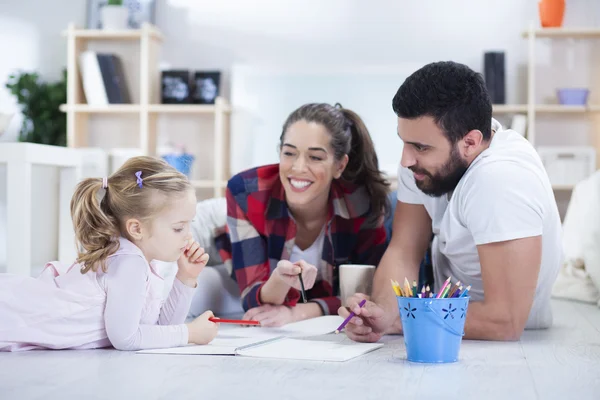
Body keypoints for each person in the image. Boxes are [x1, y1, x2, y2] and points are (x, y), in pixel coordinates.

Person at [339, 61, 562, 342]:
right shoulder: (419, 162)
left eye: (421, 147)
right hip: (440, 321)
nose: (406, 160)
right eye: (404, 141)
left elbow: (505, 321)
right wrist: (380, 311)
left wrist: (402, 317)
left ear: (470, 142)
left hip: (510, 342)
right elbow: (404, 250)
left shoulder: (501, 180)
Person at [0, 156, 219, 351]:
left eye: (190, 224)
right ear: (136, 229)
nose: (188, 236)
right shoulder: (129, 263)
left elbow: (157, 329)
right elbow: (126, 338)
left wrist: (186, 278)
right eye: (179, 228)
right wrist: (189, 333)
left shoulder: (142, 260)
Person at [216, 103, 390, 327]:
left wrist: (300, 312)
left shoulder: (363, 205)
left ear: (339, 165)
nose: (298, 168)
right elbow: (251, 295)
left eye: (315, 157)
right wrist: (280, 280)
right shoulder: (245, 191)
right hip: (222, 241)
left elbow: (368, 296)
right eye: (289, 153)